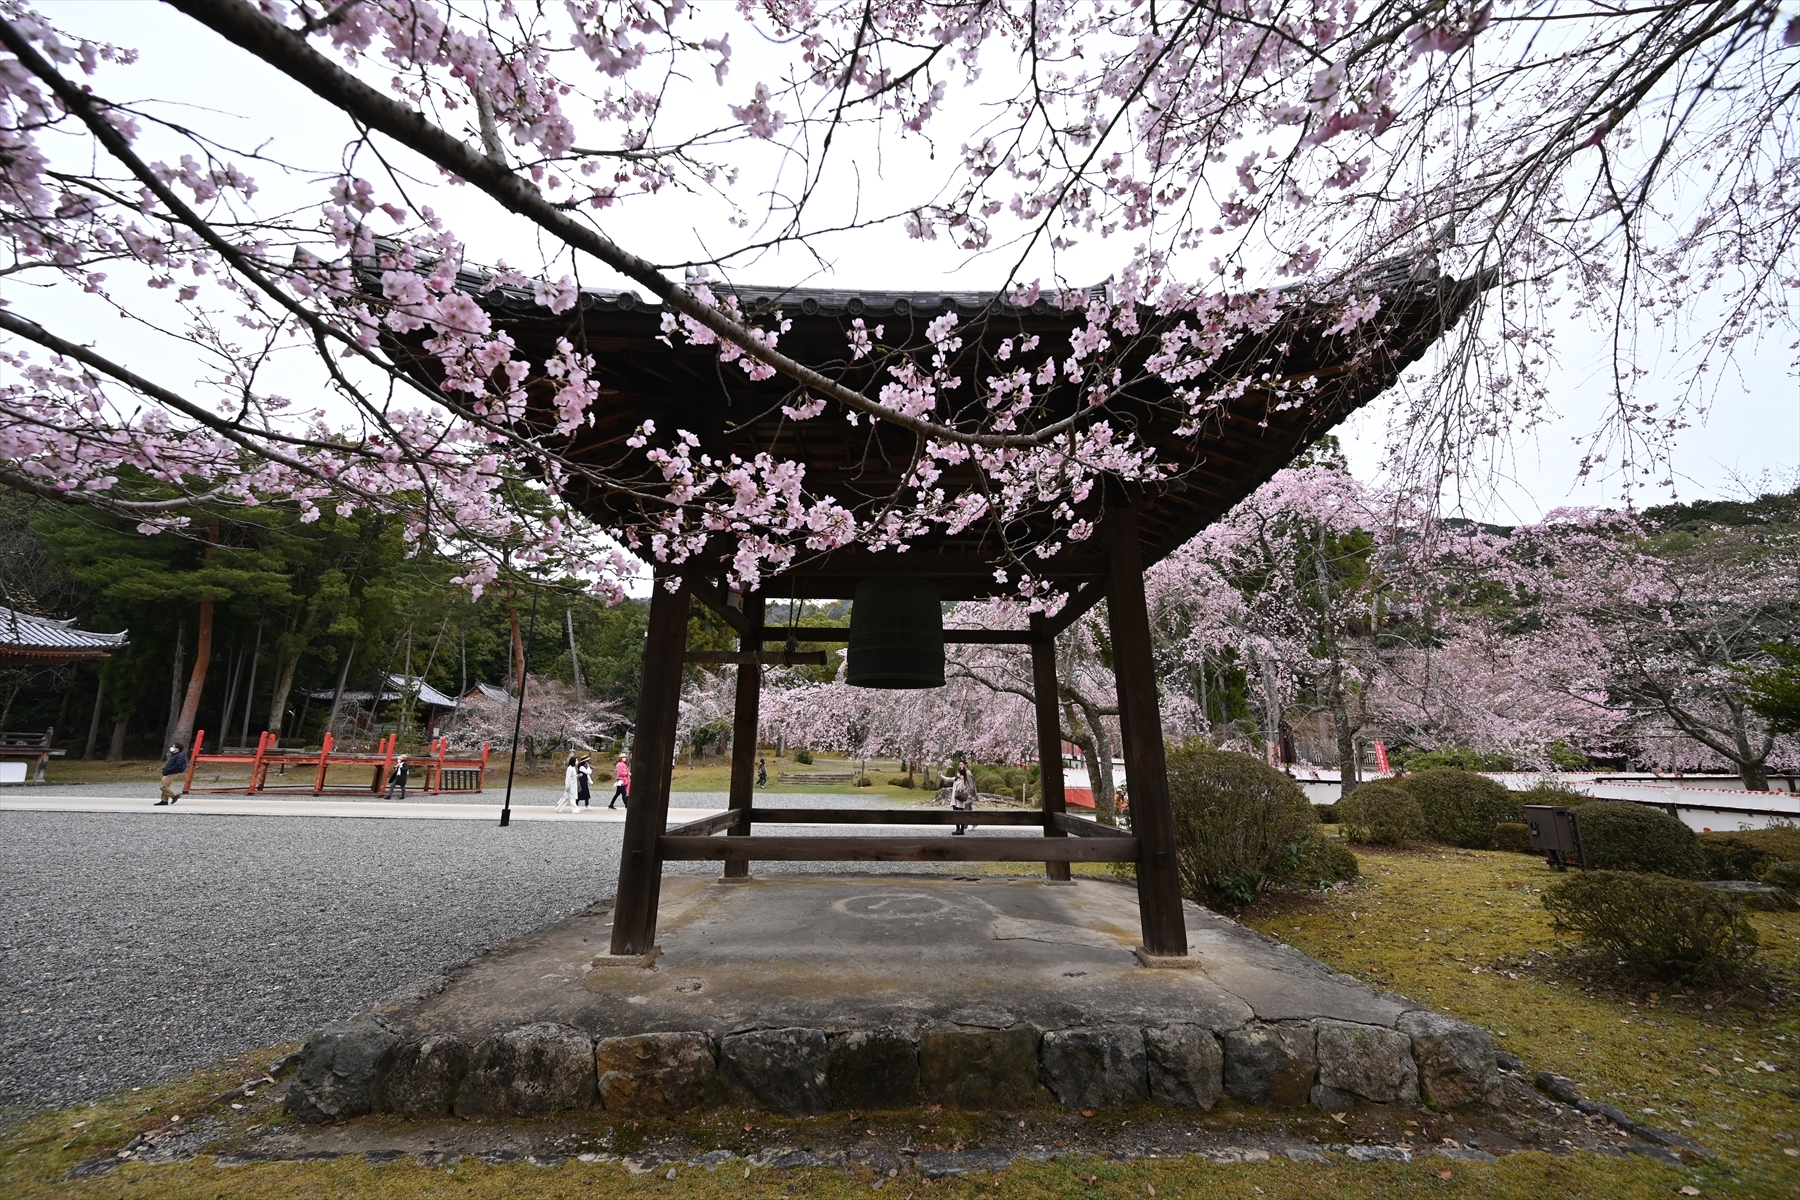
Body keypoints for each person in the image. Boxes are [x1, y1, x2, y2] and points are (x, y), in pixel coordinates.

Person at [951, 762, 976, 835]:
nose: (960, 765)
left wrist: (970, 795)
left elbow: (969, 786)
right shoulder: (956, 779)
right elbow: (949, 779)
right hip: (955, 799)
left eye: (961, 764)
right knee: (958, 814)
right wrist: (940, 776)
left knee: (963, 813)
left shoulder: (967, 776)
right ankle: (959, 829)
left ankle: (964, 828)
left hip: (962, 799)